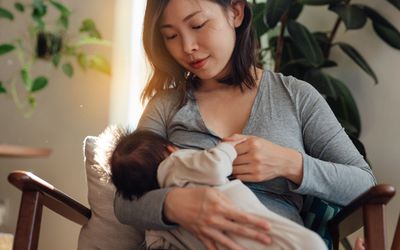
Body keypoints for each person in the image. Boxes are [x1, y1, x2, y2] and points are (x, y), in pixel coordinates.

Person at [114, 0, 377, 249]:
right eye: (171, 35)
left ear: (236, 12)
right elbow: (124, 201)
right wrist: (174, 204)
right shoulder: (166, 105)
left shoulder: (296, 96)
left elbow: (365, 185)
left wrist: (290, 163)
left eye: (197, 25)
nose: (187, 46)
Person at [110, 129, 327, 250]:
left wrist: (291, 164)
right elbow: (214, 165)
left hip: (220, 241)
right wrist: (228, 147)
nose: (189, 48)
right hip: (251, 221)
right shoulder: (175, 162)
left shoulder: (156, 228)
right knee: (311, 244)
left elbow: (361, 181)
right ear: (170, 149)